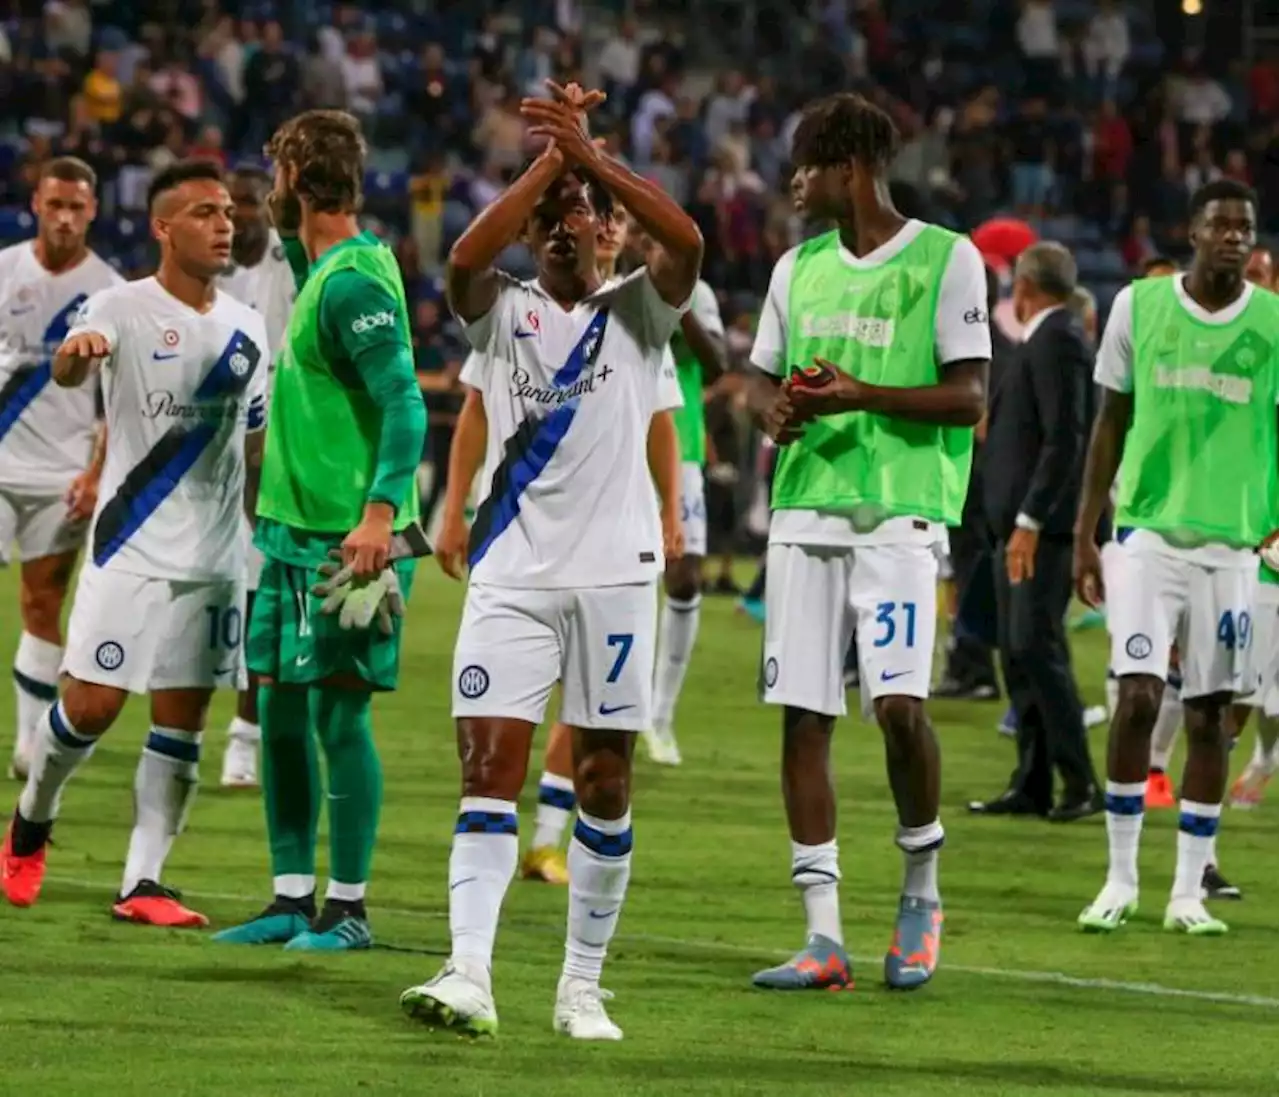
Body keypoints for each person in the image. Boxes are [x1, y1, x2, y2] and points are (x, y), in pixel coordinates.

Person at [398, 81, 702, 1041]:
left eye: (587, 219)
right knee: (488, 770)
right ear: (535, 233)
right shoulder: (503, 314)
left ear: (613, 235)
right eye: (553, 220)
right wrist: (551, 163)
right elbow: (459, 259)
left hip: (615, 580)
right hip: (513, 577)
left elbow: (687, 243)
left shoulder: (643, 315)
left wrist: (592, 159)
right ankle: (470, 973)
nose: (570, 228)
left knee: (606, 782)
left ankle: (580, 986)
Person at [746, 93, 989, 992]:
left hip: (900, 514)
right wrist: (773, 406)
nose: (796, 182)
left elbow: (969, 398)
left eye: (807, 165)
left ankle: (921, 893)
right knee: (805, 717)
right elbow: (760, 378)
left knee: (899, 709)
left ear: (849, 166)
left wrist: (859, 395)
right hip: (805, 512)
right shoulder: (794, 268)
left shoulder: (946, 258)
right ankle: (823, 936)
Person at [0, 160, 269, 926]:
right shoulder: (118, 305)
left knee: (181, 720)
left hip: (216, 556)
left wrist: (265, 540)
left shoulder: (249, 329)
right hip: (132, 543)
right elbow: (70, 353)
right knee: (90, 706)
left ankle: (143, 881)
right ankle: (32, 817)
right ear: (162, 227)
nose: (224, 224)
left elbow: (254, 447)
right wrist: (74, 355)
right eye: (205, 213)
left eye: (227, 212)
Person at [212, 110, 426, 952]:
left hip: (348, 538)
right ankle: (289, 896)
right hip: (292, 534)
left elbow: (405, 400)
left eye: (277, 175)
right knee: (280, 711)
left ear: (295, 181)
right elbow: (293, 241)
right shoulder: (324, 267)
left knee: (339, 719)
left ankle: (349, 907)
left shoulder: (351, 284)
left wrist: (378, 516)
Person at [1073, 180, 1280, 936]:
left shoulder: (1276, 325)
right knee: (1134, 697)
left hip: (1231, 546)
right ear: (1192, 233)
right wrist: (1083, 529)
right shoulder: (1138, 307)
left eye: (1245, 227)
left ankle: (1188, 890)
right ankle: (1120, 878)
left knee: (1210, 717)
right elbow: (1109, 420)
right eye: (1220, 224)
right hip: (1146, 535)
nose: (1234, 236)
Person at [521, 201, 685, 885]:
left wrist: (671, 510)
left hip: (612, 538)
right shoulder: (525, 310)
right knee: (557, 700)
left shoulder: (642, 309)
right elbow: (480, 406)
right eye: (598, 215)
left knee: (588, 706)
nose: (608, 227)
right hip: (541, 533)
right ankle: (534, 837)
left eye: (617, 216)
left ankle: (548, 839)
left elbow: (658, 421)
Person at [969, 243, 1100, 820]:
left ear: (1023, 287)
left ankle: (1080, 783)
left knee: (1038, 650)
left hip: (1036, 534)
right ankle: (1033, 781)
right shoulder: (1045, 339)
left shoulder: (1060, 340)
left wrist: (1029, 520)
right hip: (1014, 529)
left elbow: (1066, 439)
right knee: (1019, 654)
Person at [0, 157, 121, 781]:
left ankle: (28, 745)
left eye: (77, 207)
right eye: (56, 206)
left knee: (41, 603)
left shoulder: (109, 292)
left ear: (93, 211)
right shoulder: (4, 270)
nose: (66, 218)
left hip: (62, 476)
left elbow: (115, 400)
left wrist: (97, 472)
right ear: (37, 205)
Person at [216, 164, 297, 790]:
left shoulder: (286, 259)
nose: (240, 214)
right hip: (206, 443)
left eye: (250, 202)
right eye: (230, 204)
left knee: (259, 591)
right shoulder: (205, 262)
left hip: (275, 448)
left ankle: (246, 738)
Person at [644, 218, 726, 766]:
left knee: (684, 573)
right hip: (618, 447)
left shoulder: (697, 293)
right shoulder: (611, 286)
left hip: (684, 446)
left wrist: (678, 308)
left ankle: (660, 716)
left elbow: (718, 363)